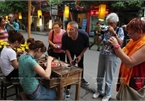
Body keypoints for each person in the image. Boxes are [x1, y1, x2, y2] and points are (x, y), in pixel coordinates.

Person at [109, 18, 145, 100]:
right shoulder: (134, 41)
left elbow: (129, 62)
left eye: (131, 34)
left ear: (140, 31)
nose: (130, 37)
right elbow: (122, 54)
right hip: (126, 80)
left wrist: (116, 46)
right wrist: (115, 46)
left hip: (134, 83)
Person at [92, 13, 124, 101]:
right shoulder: (105, 29)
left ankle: (107, 94)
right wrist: (99, 32)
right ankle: (99, 91)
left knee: (109, 76)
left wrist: (114, 33)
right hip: (102, 54)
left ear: (116, 23)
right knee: (100, 74)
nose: (109, 25)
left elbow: (121, 43)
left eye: (111, 23)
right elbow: (98, 41)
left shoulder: (119, 30)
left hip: (112, 56)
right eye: (108, 23)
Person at [62, 21, 89, 97]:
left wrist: (80, 55)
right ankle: (68, 85)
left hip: (80, 50)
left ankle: (81, 78)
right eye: (67, 29)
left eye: (71, 29)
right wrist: (70, 59)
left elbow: (86, 46)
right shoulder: (65, 36)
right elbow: (66, 48)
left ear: (76, 30)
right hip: (70, 50)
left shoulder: (84, 35)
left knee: (80, 65)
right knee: (70, 66)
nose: (69, 31)